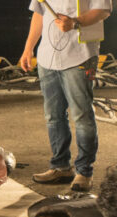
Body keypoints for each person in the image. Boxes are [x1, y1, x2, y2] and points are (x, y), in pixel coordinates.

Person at [20, 0, 112, 192]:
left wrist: (76, 22)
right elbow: (39, 13)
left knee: (82, 115)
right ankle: (60, 166)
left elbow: (103, 10)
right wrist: (28, 48)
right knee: (53, 116)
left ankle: (84, 171)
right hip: (47, 57)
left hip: (81, 56)